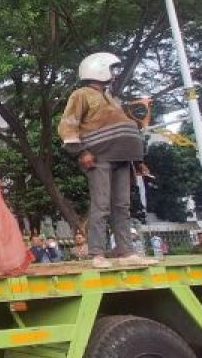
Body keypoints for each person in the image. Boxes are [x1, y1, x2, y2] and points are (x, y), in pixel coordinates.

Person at [59, 52, 147, 269]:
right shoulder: (81, 94)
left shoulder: (112, 98)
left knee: (122, 205)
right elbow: (67, 125)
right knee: (101, 205)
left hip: (122, 157)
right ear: (99, 69)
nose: (115, 74)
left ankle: (126, 251)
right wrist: (81, 152)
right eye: (112, 69)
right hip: (98, 157)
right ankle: (97, 253)